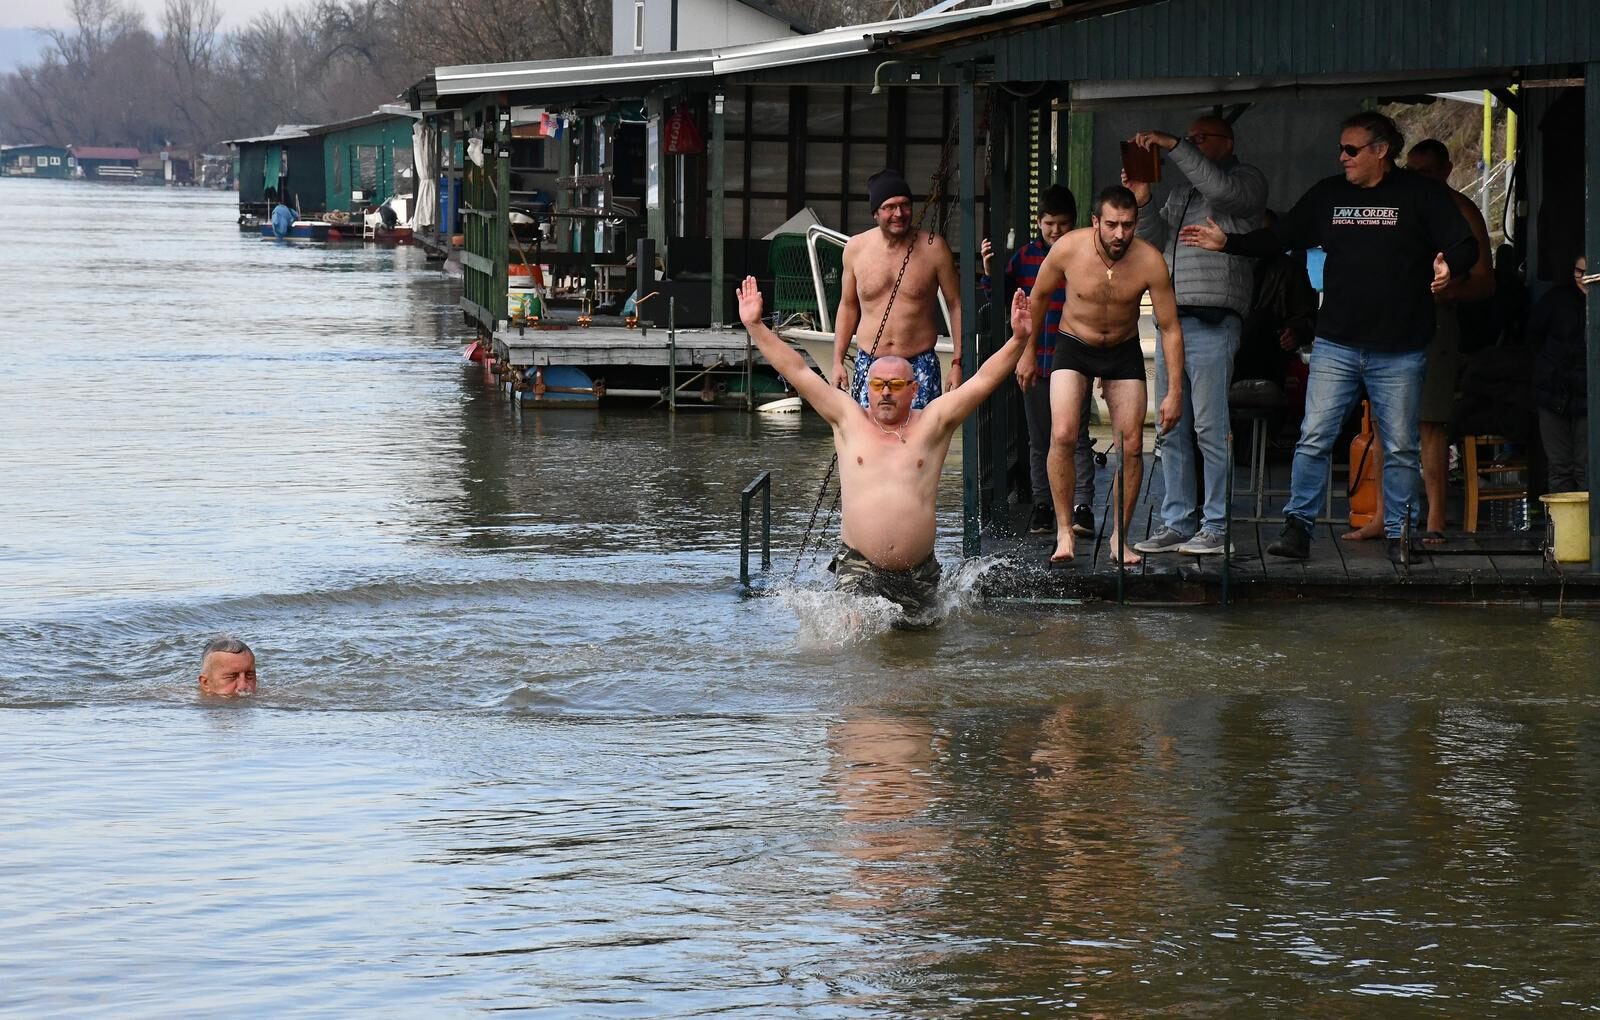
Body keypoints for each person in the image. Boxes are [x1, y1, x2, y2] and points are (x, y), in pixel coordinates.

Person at [1182, 111, 1478, 565]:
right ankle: (1298, 528)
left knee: (1399, 445)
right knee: (1313, 437)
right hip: (1337, 343)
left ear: (1382, 150)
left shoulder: (1421, 195)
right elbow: (1279, 236)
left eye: (1352, 149)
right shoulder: (1328, 195)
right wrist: (1229, 244)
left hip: (1400, 346)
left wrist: (1448, 267)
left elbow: (1464, 243)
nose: (1342, 157)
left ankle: (1401, 534)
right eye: (1340, 148)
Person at [741, 277, 1030, 627]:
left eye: (895, 385)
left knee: (917, 656)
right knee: (855, 629)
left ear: (913, 389)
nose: (886, 393)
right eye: (878, 385)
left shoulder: (934, 423)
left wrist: (1018, 340)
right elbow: (797, 370)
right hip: (858, 566)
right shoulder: (848, 419)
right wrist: (755, 326)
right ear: (868, 389)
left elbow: (983, 380)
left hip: (918, 571)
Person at [1124, 116, 1268, 557]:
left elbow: (1220, 190)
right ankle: (1177, 521)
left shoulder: (1246, 181)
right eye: (1191, 138)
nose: (1192, 144)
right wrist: (1144, 201)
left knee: (1209, 427)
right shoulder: (1182, 193)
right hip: (1173, 322)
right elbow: (1149, 241)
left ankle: (1216, 527)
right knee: (1171, 426)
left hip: (1214, 320)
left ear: (1228, 142)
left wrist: (1171, 143)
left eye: (1201, 137)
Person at [1341, 139, 1496, 544]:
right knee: (1380, 422)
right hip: (1388, 322)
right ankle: (1381, 514)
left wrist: (1444, 293)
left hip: (1436, 322)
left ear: (1446, 170)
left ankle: (1434, 520)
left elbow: (1484, 282)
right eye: (1414, 170)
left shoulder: (1461, 210)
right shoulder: (1401, 205)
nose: (1420, 178)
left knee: (1429, 422)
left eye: (1428, 171)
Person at [1020, 185, 1184, 565]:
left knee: (1129, 446)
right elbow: (1039, 297)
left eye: (1127, 225)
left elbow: (1171, 327)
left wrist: (1173, 391)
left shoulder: (1149, 260)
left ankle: (1119, 539)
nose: (1119, 234)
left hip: (1122, 351)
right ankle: (1064, 531)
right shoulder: (1068, 249)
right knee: (1061, 434)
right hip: (1074, 344)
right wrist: (1027, 353)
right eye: (1111, 224)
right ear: (1096, 221)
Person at [980, 184, 1096, 538]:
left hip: (1075, 358)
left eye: (1062, 224)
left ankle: (1083, 506)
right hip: (1036, 359)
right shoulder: (1026, 256)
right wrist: (990, 271)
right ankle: (1043, 506)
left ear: (1073, 222)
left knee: (1075, 436)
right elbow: (1002, 295)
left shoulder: (1084, 254)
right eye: (1049, 224)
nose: (1056, 231)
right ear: (1038, 222)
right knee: (1039, 438)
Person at [831, 169, 963, 408]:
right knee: (868, 440)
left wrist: (957, 363)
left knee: (918, 440)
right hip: (870, 361)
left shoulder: (934, 248)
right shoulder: (856, 248)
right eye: (890, 207)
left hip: (919, 363)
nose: (899, 214)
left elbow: (956, 304)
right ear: (875, 212)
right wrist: (837, 361)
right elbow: (848, 305)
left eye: (905, 205)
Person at [1529, 253, 1590, 492]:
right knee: (1559, 467)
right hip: (1553, 393)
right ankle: (1564, 529)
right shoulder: (1556, 300)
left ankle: (1590, 529)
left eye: (1589, 272)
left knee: (1586, 468)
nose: (1584, 278)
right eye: (1579, 272)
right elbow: (1533, 337)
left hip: (1588, 396)